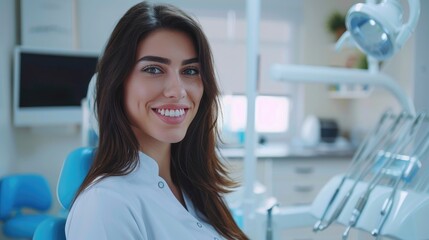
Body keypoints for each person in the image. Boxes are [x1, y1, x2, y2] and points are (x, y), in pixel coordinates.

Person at [65, 2, 249, 240]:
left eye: (190, 71)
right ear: (117, 83)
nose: (178, 91)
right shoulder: (106, 205)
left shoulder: (200, 189)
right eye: (153, 69)